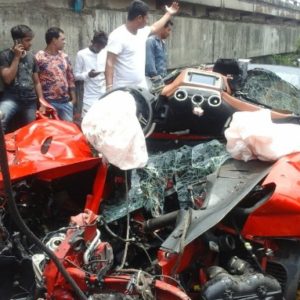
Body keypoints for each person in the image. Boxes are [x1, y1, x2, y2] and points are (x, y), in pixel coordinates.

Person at [105, 0, 179, 91]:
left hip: (141, 87)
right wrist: (109, 88)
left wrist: (169, 13)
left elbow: (155, 27)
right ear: (139, 18)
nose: (148, 21)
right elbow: (110, 62)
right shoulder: (117, 35)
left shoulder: (142, 32)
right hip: (123, 89)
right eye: (147, 18)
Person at [0, 24, 44, 133]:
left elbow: (37, 82)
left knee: (32, 130)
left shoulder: (31, 56)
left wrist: (42, 101)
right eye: (27, 40)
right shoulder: (5, 55)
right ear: (17, 41)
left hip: (30, 100)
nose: (30, 43)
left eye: (31, 40)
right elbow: (7, 79)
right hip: (11, 98)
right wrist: (16, 57)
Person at [35, 27, 76, 121]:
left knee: (68, 131)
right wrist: (42, 102)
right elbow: (36, 81)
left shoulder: (64, 56)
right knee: (51, 131)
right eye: (62, 39)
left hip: (66, 102)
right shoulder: (39, 57)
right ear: (54, 40)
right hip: (48, 103)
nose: (65, 42)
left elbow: (70, 78)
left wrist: (73, 100)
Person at [74, 31, 108, 117]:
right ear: (92, 42)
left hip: (104, 96)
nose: (100, 49)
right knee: (88, 125)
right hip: (88, 98)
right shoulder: (82, 54)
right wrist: (88, 75)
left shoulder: (105, 53)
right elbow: (76, 76)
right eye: (98, 46)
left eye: (102, 47)